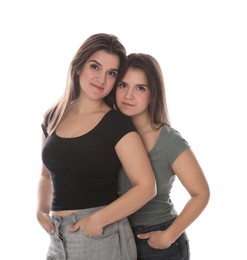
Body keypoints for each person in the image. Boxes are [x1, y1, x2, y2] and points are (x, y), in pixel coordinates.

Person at [36, 34, 157, 260]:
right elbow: (46, 174)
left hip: (101, 236)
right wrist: (41, 210)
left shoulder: (116, 123)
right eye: (95, 67)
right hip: (58, 238)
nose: (102, 79)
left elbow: (146, 187)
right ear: (79, 66)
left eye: (111, 73)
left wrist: (97, 220)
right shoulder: (53, 116)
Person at [116, 53, 210, 260]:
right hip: (119, 239)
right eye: (123, 85)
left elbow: (201, 193)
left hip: (158, 242)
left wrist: (169, 235)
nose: (129, 95)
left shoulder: (168, 140)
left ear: (153, 93)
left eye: (140, 88)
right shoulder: (112, 134)